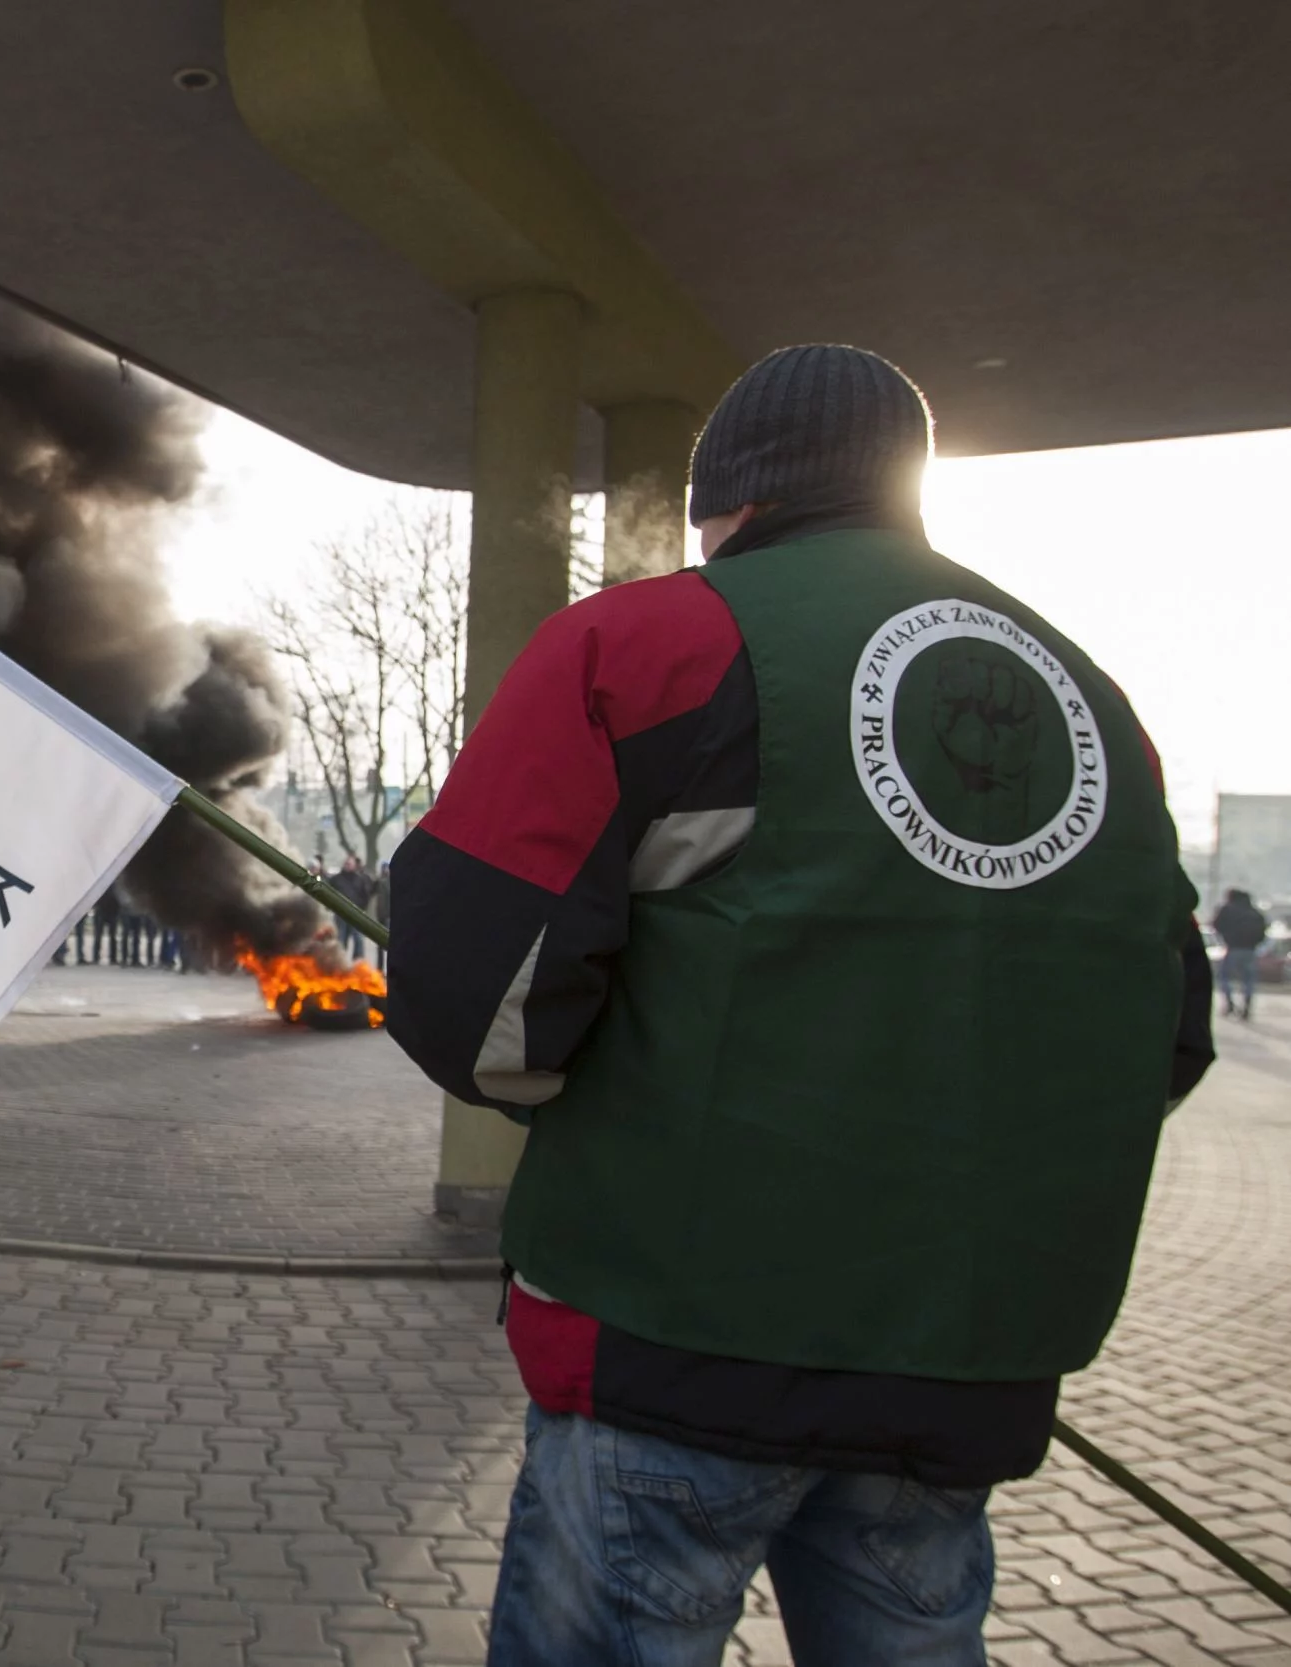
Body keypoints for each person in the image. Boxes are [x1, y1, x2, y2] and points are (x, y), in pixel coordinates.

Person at [381, 345, 1214, 1664]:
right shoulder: (1094, 702)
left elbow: (479, 995)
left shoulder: (653, 641)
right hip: (958, 1374)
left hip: (675, 1335)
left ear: (729, 499)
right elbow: (1157, 1031)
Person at [1211, 887, 1267, 1020]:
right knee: (1248, 980)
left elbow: (1216, 924)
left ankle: (1229, 1003)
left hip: (1233, 948)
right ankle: (1247, 1006)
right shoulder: (1254, 912)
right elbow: (1263, 930)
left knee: (1223, 977)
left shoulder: (1228, 909)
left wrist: (1226, 936)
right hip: (1250, 950)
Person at [330, 855, 376, 963]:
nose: (347, 865)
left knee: (358, 938)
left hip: (356, 913)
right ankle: (339, 961)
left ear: (354, 865)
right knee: (341, 939)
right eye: (346, 863)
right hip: (341, 913)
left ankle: (358, 961)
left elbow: (365, 895)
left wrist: (362, 908)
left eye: (349, 864)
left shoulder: (360, 879)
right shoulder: (336, 879)